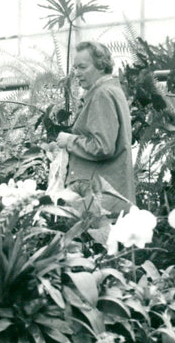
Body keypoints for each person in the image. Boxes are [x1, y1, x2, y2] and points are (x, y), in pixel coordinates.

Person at [54, 41, 135, 214]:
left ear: (101, 66)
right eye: (75, 68)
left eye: (82, 67)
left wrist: (69, 141)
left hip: (99, 199)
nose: (77, 73)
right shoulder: (112, 90)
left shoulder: (101, 94)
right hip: (109, 193)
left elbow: (103, 147)